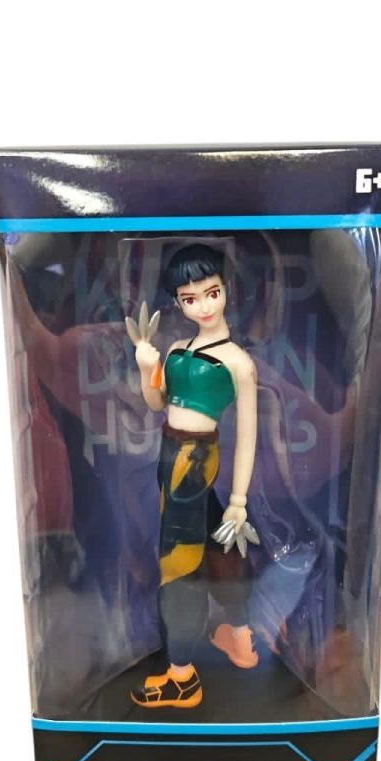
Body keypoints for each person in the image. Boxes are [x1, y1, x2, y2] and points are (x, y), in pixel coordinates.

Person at [127, 243, 259, 707]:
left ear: (225, 290)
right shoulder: (177, 349)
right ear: (178, 303)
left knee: (178, 563)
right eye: (190, 298)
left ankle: (182, 677)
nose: (203, 305)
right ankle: (238, 634)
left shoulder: (238, 362)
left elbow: (248, 435)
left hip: (193, 460)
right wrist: (147, 369)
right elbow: (158, 403)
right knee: (218, 539)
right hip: (171, 455)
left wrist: (241, 499)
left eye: (212, 292)